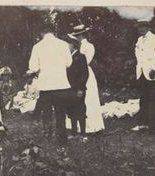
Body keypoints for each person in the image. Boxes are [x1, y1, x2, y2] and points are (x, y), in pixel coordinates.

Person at [27, 23, 73, 152]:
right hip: (61, 84)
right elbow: (69, 63)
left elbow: (33, 67)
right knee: (60, 113)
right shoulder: (64, 45)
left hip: (46, 85)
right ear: (54, 32)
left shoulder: (37, 47)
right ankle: (62, 140)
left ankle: (47, 136)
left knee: (46, 113)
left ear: (42, 33)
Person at [68, 24, 105, 134]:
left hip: (84, 73)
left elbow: (84, 62)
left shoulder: (88, 46)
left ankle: (91, 126)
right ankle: (77, 126)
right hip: (76, 74)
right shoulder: (77, 46)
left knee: (88, 99)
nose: (77, 37)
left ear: (82, 35)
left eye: (78, 35)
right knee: (77, 100)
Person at [61, 34, 89, 141]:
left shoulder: (81, 56)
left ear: (73, 45)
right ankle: (74, 132)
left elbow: (84, 74)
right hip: (69, 89)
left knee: (80, 110)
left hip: (78, 89)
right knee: (71, 111)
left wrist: (81, 89)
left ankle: (83, 134)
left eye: (67, 44)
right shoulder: (66, 58)